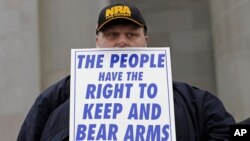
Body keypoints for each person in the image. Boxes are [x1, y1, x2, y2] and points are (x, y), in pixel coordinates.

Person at [17, 2, 235, 141]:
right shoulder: (51, 104)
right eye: (112, 35)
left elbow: (234, 134)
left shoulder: (196, 102)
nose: (122, 42)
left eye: (131, 35)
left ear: (146, 41)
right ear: (97, 42)